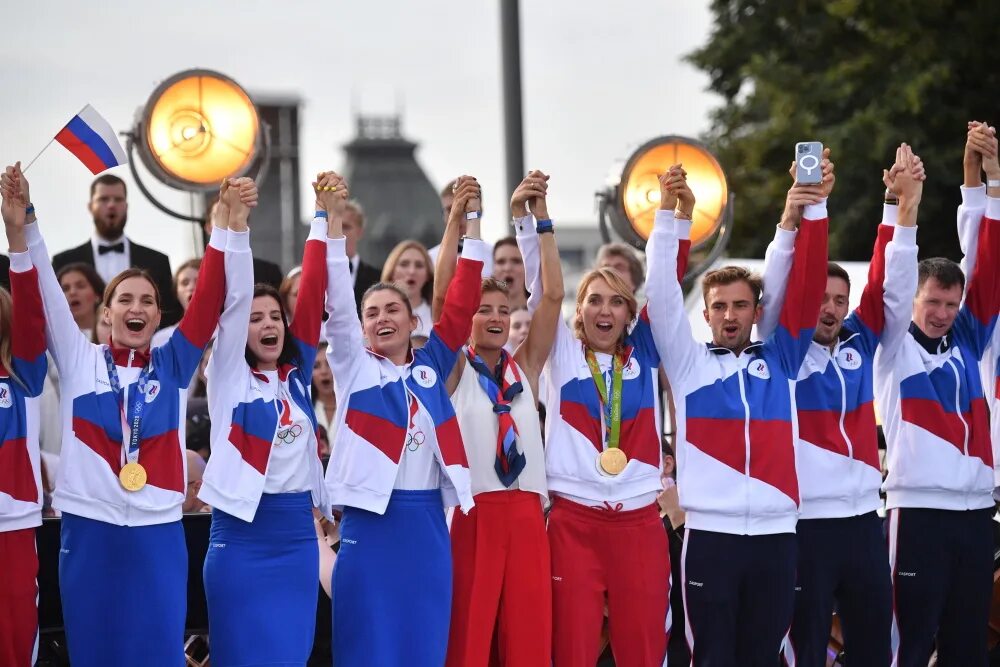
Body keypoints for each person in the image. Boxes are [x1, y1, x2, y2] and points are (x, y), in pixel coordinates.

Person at [3, 161, 251, 667]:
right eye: (124, 300)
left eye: (148, 301)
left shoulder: (175, 363)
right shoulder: (78, 359)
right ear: (105, 313)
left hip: (159, 532)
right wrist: (23, 224)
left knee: (158, 652)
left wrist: (226, 225)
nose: (136, 307)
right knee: (93, 653)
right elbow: (46, 290)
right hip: (89, 530)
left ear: (160, 318)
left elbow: (207, 301)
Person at [652, 163, 829, 663]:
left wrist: (808, 211)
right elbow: (662, 294)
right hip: (711, 539)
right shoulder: (687, 364)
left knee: (762, 657)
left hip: (776, 538)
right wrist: (668, 216)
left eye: (741, 305)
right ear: (705, 314)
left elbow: (807, 285)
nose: (730, 315)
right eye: (720, 306)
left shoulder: (781, 359)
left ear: (756, 311)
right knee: (710, 657)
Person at [759, 146, 921, 666]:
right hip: (805, 525)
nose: (828, 309)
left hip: (862, 524)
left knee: (874, 648)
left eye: (837, 300)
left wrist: (897, 208)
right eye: (820, 299)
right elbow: (782, 283)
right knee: (806, 650)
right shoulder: (781, 348)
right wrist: (804, 212)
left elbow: (891, 287)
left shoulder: (860, 342)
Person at [323, 176, 485, 667]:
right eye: (371, 312)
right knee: (365, 647)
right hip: (370, 526)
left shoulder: (431, 365)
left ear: (413, 320)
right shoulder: (352, 365)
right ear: (362, 324)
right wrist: (328, 218)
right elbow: (334, 295)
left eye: (392, 308)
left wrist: (469, 221)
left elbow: (462, 302)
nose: (381, 318)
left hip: (426, 526)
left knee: (423, 645)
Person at [517, 167, 675, 666]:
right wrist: (534, 223)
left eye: (616, 303)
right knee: (573, 649)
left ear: (630, 313)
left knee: (644, 650)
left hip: (639, 522)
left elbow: (667, 286)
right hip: (573, 521)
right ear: (580, 310)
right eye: (594, 301)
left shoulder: (646, 351)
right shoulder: (562, 353)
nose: (604, 311)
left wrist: (671, 215)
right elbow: (544, 291)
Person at [198, 173, 336, 667]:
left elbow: (315, 291)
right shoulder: (228, 375)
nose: (268, 324)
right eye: (257, 319)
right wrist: (236, 224)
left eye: (274, 315)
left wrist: (323, 219)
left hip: (297, 539)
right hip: (240, 540)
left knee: (291, 656)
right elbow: (231, 301)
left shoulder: (296, 377)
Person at [880, 124, 1000, 666]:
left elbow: (989, 266)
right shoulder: (889, 347)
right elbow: (893, 276)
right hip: (918, 513)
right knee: (910, 642)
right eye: (933, 302)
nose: (942, 313)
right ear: (914, 299)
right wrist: (902, 205)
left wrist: (986, 180)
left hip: (976, 515)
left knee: (968, 646)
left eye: (951, 304)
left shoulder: (970, 340)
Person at [438, 173, 562, 666]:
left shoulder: (525, 365)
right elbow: (447, 288)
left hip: (529, 514)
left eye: (502, 310)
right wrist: (461, 222)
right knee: (468, 642)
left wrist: (541, 217)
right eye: (481, 309)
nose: (494, 317)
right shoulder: (450, 368)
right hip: (475, 516)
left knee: (529, 643)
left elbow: (551, 296)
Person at [0, 180, 48, 667]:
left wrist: (17, 237)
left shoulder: (21, 374)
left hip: (10, 526)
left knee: (14, 649)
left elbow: (33, 315)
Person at [51, 174, 181, 326]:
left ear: (126, 206)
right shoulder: (64, 261)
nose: (111, 205)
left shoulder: (157, 261)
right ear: (90, 206)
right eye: (104, 199)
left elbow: (168, 316)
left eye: (118, 199)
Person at [203, 196, 283, 289]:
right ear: (208, 227)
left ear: (246, 225)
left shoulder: (269, 272)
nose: (226, 220)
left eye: (232, 214)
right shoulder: (196, 273)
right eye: (219, 215)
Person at [429, 178, 493, 278]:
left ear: (480, 210)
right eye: (449, 210)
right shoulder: (428, 260)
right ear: (442, 214)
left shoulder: (496, 257)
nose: (456, 214)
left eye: (464, 208)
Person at [381, 239, 435, 337]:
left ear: (428, 275)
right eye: (404, 264)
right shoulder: (378, 316)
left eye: (419, 265)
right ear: (391, 271)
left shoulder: (437, 318)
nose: (412, 271)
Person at [342, 200, 382, 309]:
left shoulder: (379, 278)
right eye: (333, 227)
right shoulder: (316, 276)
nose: (338, 232)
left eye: (345, 227)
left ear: (360, 232)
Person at [151, 258, 200, 347]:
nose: (191, 287)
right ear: (176, 293)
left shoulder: (228, 331)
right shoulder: (163, 339)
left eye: (198, 281)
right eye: (184, 283)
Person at [57, 263, 105, 336]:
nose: (72, 292)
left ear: (97, 295)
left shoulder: (115, 334)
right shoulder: (55, 339)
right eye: (65, 289)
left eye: (80, 286)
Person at [492, 236, 528, 310]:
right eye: (501, 262)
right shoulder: (480, 314)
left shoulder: (540, 311)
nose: (507, 268)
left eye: (516, 261)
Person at [312, 342, 336, 436]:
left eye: (329, 363)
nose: (324, 371)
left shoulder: (353, 408)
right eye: (316, 366)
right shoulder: (303, 412)